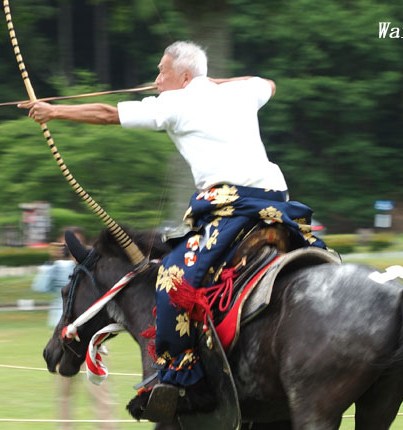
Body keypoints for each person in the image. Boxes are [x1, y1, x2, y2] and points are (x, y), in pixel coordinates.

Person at [20, 40, 328, 412]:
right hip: (278, 206)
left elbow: (106, 114)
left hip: (232, 211)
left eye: (162, 71)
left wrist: (53, 112)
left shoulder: (174, 103)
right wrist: (209, 81)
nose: (155, 79)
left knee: (170, 280)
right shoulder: (243, 91)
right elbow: (267, 82)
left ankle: (185, 381)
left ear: (183, 76)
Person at [32, 227, 116, 430]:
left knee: (101, 392)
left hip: (92, 339)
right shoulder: (59, 268)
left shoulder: (95, 270)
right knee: (65, 394)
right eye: (66, 246)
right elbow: (40, 287)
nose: (70, 250)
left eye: (75, 245)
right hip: (63, 338)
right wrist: (51, 262)